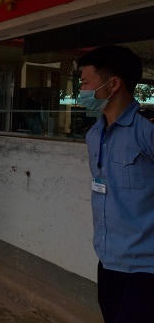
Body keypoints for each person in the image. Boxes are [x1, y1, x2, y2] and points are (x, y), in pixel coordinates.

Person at [78, 45, 154, 322]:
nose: (81, 91)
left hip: (146, 267)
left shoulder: (147, 129)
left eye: (86, 83)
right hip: (109, 259)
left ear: (113, 84)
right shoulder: (94, 134)